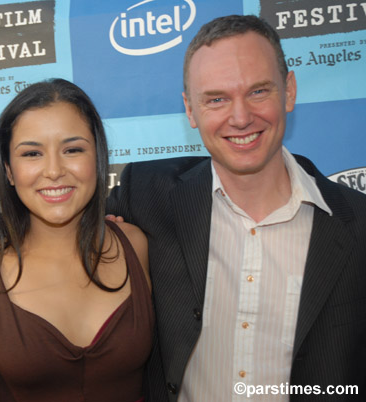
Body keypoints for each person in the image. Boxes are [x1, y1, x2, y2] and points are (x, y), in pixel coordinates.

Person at [108, 14, 366, 402]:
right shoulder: (145, 193)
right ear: (190, 110)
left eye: (259, 91)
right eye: (216, 99)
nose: (241, 117)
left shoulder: (358, 223)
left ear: (289, 90)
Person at [0, 78, 154, 402]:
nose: (53, 170)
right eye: (32, 153)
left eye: (72, 150)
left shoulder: (135, 244)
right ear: (9, 170)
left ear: (97, 157)